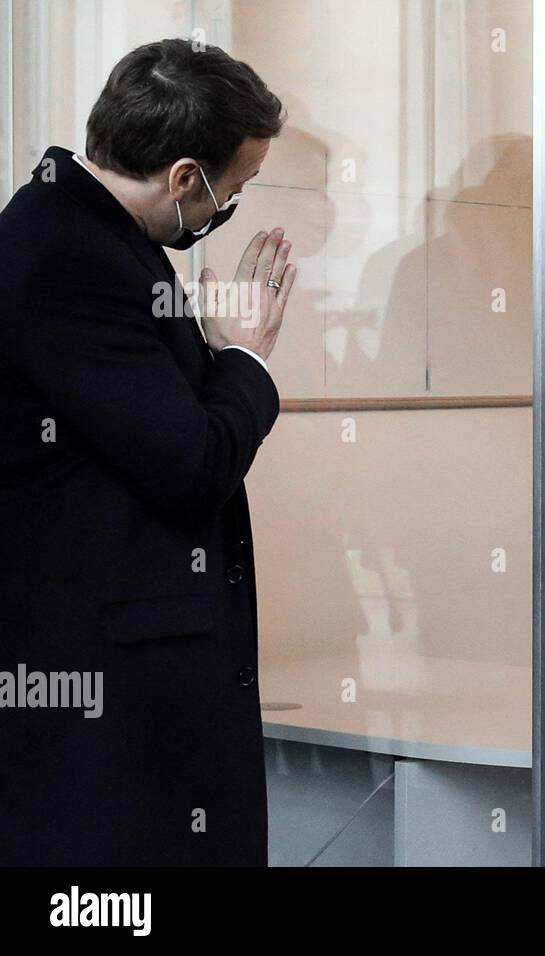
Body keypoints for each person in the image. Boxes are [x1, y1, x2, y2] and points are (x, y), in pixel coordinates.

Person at [0, 39, 293, 864]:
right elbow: (189, 462)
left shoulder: (95, 240)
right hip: (103, 704)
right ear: (184, 177)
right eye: (236, 185)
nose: (232, 203)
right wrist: (246, 360)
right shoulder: (67, 254)